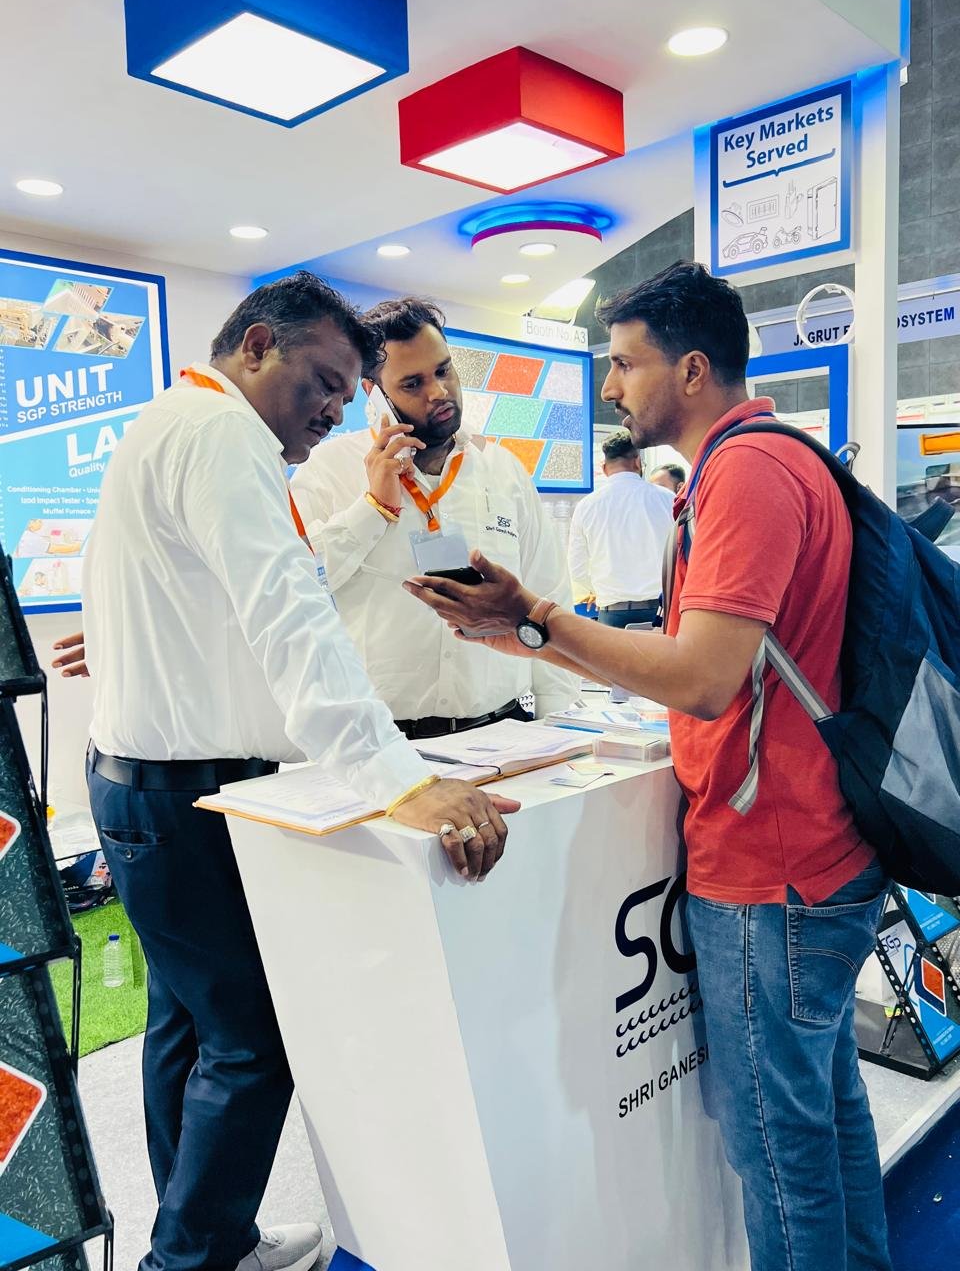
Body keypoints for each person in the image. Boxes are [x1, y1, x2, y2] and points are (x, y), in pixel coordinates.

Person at [403, 261, 892, 1271]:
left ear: (694, 369)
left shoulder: (748, 473)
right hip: (809, 850)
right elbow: (712, 665)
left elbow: (706, 680)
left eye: (625, 362)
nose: (612, 385)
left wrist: (538, 615)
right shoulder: (770, 461)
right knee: (823, 1115)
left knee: (780, 1151)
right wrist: (529, 632)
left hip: (770, 864)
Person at [79, 272, 518, 1271]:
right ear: (256, 346)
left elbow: (263, 589)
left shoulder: (179, 422)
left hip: (154, 777)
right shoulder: (223, 435)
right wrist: (397, 779)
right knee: (253, 1041)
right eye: (323, 382)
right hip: (180, 786)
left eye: (346, 394)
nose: (332, 410)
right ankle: (187, 1259)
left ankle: (210, 1236)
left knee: (190, 1027)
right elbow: (293, 614)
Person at [290, 296, 577, 739]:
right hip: (380, 743)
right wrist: (371, 510)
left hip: (504, 734)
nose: (439, 392)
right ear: (374, 394)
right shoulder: (327, 470)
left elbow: (548, 594)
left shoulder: (504, 471)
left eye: (443, 371)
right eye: (413, 383)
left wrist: (557, 725)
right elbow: (298, 590)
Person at [567, 429, 674, 627]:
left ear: (604, 467)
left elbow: (577, 569)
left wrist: (603, 591)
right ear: (638, 462)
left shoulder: (586, 506)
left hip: (612, 614)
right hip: (661, 611)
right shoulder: (668, 500)